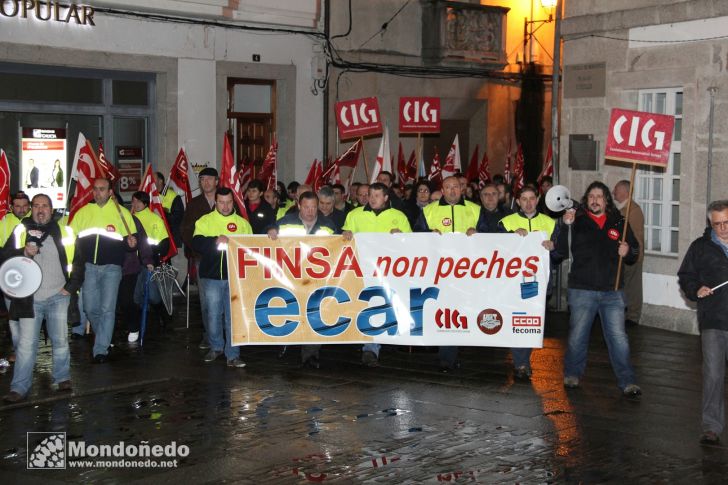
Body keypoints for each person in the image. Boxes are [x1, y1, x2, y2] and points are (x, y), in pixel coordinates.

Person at [556, 181, 642, 397]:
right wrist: (565, 226)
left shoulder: (619, 221)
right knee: (578, 335)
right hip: (582, 289)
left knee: (618, 337)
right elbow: (559, 251)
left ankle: (627, 381)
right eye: (591, 196)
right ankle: (572, 374)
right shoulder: (576, 220)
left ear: (606, 200)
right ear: (587, 200)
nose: (595, 200)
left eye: (599, 196)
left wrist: (628, 251)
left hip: (612, 291)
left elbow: (634, 253)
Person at [1, 194, 82, 403]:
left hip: (58, 295)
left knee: (61, 340)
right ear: (31, 209)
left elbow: (79, 261)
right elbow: (5, 257)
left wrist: (70, 287)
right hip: (30, 299)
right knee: (26, 344)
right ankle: (19, 388)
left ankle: (63, 378)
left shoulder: (65, 229)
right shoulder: (21, 229)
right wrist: (24, 252)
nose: (40, 209)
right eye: (36, 205)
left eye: (44, 205)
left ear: (51, 209)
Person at [415, 176, 481, 372]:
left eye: (456, 187)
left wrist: (477, 232)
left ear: (462, 188)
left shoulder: (474, 209)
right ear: (442, 190)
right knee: (442, 312)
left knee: (457, 313)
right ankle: (446, 356)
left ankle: (449, 354)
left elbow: (489, 235)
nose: (452, 191)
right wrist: (428, 234)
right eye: (448, 187)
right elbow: (416, 234)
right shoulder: (429, 210)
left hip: (466, 272)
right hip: (436, 272)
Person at [70, 178, 139, 363]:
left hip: (112, 268)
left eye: (102, 189)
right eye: (95, 189)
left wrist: (132, 244)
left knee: (107, 309)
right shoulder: (83, 212)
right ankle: (105, 336)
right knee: (90, 307)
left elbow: (131, 242)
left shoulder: (122, 213)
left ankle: (100, 349)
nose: (97, 192)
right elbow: (71, 239)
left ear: (110, 192)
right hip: (88, 267)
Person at [343, 183, 412, 367]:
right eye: (370, 195)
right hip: (362, 269)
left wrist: (403, 237)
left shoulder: (399, 217)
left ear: (386, 198)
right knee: (367, 306)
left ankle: (374, 346)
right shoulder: (354, 215)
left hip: (389, 272)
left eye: (377, 195)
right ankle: (369, 346)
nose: (372, 198)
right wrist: (346, 234)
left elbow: (412, 245)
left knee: (381, 306)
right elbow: (344, 239)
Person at [677, 199, 728, 445]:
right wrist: (696, 289)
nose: (723, 228)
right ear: (710, 223)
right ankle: (711, 426)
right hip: (714, 319)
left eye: (727, 222)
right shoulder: (700, 247)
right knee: (713, 374)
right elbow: (685, 276)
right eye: (718, 224)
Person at [268, 191, 338, 368]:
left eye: (314, 207)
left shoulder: (328, 225)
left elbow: (339, 247)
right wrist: (270, 231)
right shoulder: (286, 222)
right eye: (306, 207)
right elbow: (267, 235)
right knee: (290, 312)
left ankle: (311, 353)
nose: (310, 211)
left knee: (314, 314)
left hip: (316, 279)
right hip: (291, 277)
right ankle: (285, 343)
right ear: (299, 206)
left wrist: (345, 236)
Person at [498, 185, 557, 380]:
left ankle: (524, 360)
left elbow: (559, 253)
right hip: (512, 283)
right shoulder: (506, 222)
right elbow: (494, 248)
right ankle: (521, 363)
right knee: (517, 321)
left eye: (532, 198)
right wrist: (511, 236)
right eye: (524, 199)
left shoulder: (550, 222)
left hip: (540, 283)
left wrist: (553, 247)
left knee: (534, 322)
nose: (529, 202)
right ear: (518, 201)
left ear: (538, 199)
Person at [192, 187, 252, 368]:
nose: (225, 206)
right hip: (211, 277)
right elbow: (196, 242)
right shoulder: (205, 221)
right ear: (215, 202)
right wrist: (214, 241)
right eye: (221, 202)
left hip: (235, 278)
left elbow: (251, 248)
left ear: (233, 202)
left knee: (233, 317)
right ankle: (216, 346)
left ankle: (233, 354)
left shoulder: (242, 223)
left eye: (228, 202)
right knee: (213, 315)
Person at [181, 167, 218, 350]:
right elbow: (186, 230)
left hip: (225, 259)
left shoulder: (226, 201)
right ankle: (208, 335)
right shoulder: (194, 204)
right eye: (203, 179)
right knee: (206, 300)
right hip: (202, 258)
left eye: (210, 179)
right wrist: (197, 246)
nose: (206, 183)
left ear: (217, 181)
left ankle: (222, 334)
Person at [128, 191, 169, 341]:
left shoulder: (154, 219)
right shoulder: (127, 219)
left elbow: (164, 244)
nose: (136, 204)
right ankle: (137, 324)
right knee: (135, 296)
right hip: (132, 264)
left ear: (145, 203)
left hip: (149, 264)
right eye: (133, 201)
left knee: (152, 295)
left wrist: (151, 254)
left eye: (139, 201)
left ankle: (162, 315)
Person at [613, 180, 645, 326]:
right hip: (621, 253)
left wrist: (632, 253)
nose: (614, 192)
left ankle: (633, 316)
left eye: (617, 190)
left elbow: (635, 236)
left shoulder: (633, 210)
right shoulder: (620, 208)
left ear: (625, 192)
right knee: (623, 285)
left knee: (633, 286)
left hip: (632, 255)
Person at [156, 172, 184, 249]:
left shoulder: (173, 196)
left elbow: (178, 217)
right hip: (157, 238)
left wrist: (162, 213)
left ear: (160, 181)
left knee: (175, 261)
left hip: (172, 238)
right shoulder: (151, 196)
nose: (151, 180)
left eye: (153, 178)